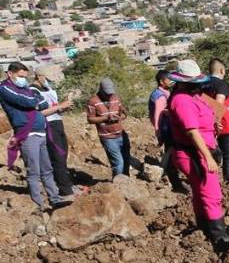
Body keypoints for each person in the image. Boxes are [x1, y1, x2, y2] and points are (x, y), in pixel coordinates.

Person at [167, 60, 229, 250]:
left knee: (200, 192)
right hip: (194, 154)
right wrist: (208, 157)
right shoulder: (182, 100)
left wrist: (214, 126)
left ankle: (204, 229)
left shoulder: (193, 96)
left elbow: (204, 119)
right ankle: (220, 238)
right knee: (211, 194)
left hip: (200, 150)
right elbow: (192, 132)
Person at [0, 61, 71, 210]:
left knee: (47, 169)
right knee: (33, 171)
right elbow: (24, 101)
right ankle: (38, 204)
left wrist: (34, 103)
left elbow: (43, 102)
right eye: (20, 76)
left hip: (41, 131)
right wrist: (34, 103)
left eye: (25, 77)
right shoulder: (4, 88)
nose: (23, 80)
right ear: (10, 74)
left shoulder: (26, 88)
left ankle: (54, 199)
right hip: (27, 133)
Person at [30, 65, 75, 199]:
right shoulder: (32, 91)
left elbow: (54, 108)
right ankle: (65, 190)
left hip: (58, 123)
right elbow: (40, 112)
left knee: (63, 154)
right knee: (57, 157)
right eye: (47, 78)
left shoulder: (48, 89)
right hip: (48, 125)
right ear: (39, 76)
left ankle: (65, 183)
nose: (48, 81)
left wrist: (64, 107)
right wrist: (60, 106)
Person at [149, 69, 187, 192]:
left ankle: (170, 173)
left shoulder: (161, 93)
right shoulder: (160, 96)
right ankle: (172, 177)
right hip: (166, 128)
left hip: (168, 127)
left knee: (171, 151)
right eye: (168, 79)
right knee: (172, 151)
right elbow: (158, 115)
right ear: (161, 81)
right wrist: (158, 131)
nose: (171, 81)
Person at [86, 78, 133, 178]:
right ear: (101, 90)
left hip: (121, 134)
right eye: (107, 93)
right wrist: (106, 118)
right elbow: (90, 119)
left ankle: (126, 182)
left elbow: (123, 113)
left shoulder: (116, 98)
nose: (109, 95)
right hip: (108, 137)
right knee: (118, 163)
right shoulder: (93, 101)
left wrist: (120, 117)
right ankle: (117, 182)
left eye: (111, 93)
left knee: (126, 159)